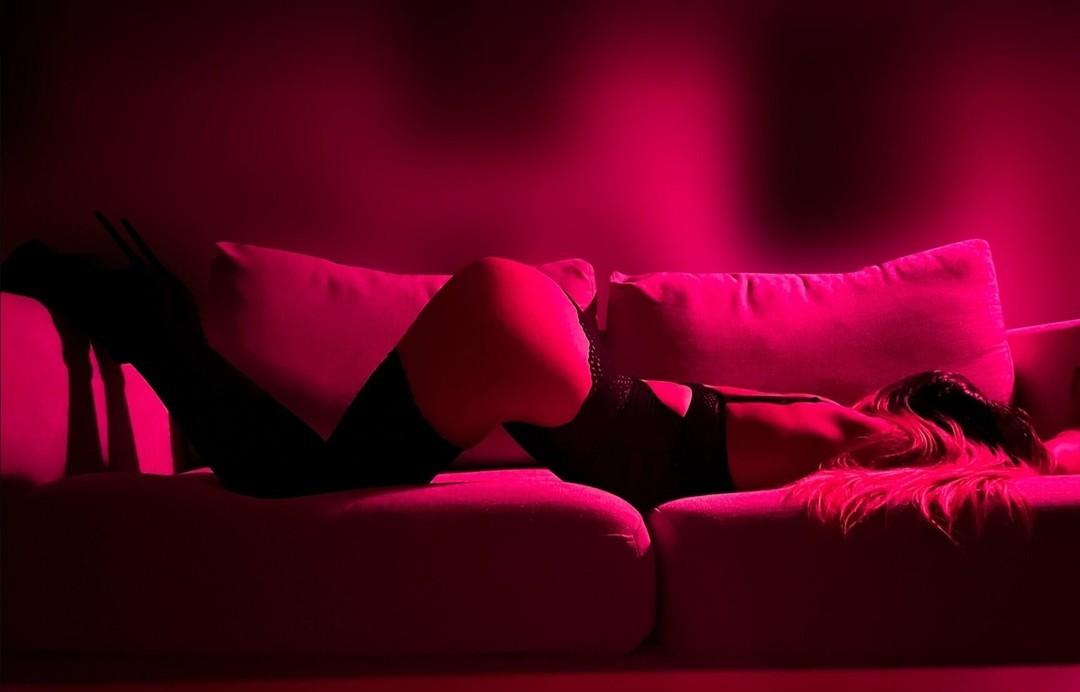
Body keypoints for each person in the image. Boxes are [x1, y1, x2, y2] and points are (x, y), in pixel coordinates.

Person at [1, 215, 1065, 540]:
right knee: (280, 478)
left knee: (294, 471)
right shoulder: (864, 436)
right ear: (943, 431)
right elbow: (969, 481)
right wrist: (1028, 456)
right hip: (528, 348)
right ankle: (136, 310)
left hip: (525, 334)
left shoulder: (838, 429)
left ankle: (136, 310)